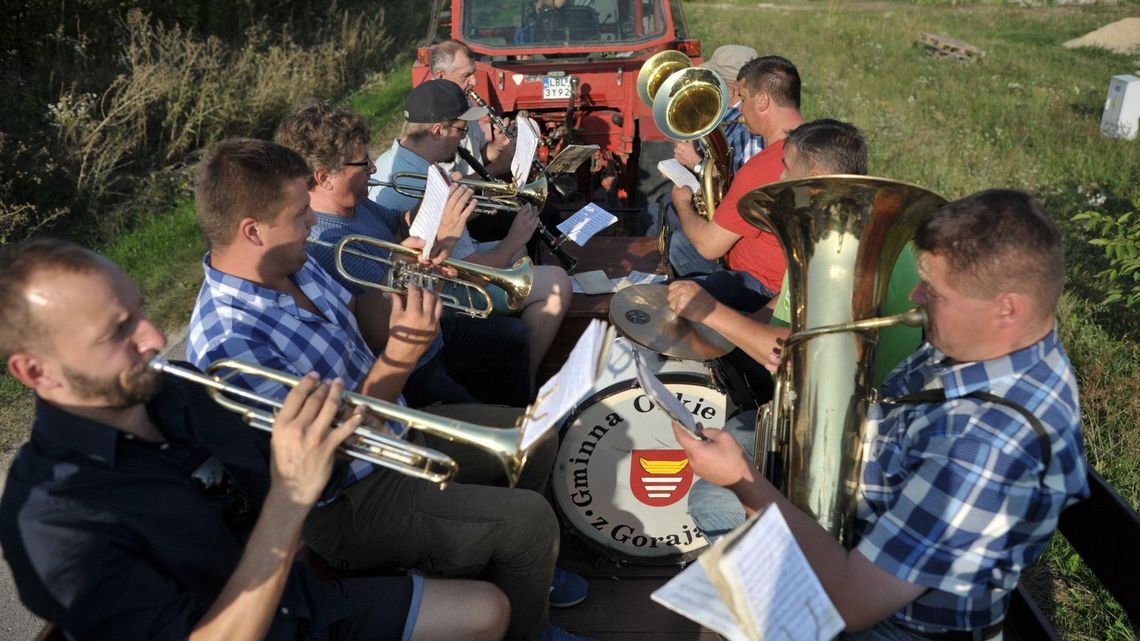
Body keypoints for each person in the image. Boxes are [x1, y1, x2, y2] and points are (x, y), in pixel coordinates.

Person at [0, 238, 510, 641]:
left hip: (301, 603)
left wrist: (324, 436)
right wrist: (290, 496)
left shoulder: (179, 391)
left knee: (488, 611)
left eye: (140, 310)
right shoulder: (53, 517)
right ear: (35, 371)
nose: (153, 338)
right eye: (117, 332)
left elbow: (286, 477)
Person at [187, 138, 590, 641]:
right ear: (252, 231)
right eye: (298, 214)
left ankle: (512, 566)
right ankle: (528, 619)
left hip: (396, 433)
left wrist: (409, 282)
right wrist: (402, 353)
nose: (312, 221)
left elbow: (362, 317)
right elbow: (330, 453)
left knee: (538, 437)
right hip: (352, 499)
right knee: (530, 523)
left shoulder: (291, 264)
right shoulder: (230, 342)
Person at [673, 190, 1089, 639]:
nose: (914, 295)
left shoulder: (988, 443)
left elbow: (849, 604)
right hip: (865, 530)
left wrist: (742, 479)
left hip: (892, 622)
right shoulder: (983, 344)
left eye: (934, 291)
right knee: (714, 513)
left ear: (1007, 308)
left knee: (719, 522)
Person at [668, 119, 923, 542]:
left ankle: (793, 576)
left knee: (708, 501)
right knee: (735, 429)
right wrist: (711, 329)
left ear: (815, 176)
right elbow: (783, 310)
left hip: (851, 446)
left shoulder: (848, 250)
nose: (779, 178)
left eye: (785, 168)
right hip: (816, 420)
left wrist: (710, 311)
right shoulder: (832, 232)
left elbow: (804, 356)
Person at [273, 100, 531, 407]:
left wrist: (436, 200)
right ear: (323, 177)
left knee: (518, 336)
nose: (372, 168)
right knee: (481, 417)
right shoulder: (326, 244)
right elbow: (382, 326)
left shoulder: (356, 204)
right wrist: (445, 237)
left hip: (433, 335)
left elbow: (400, 226)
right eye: (362, 163)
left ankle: (516, 408)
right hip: (412, 367)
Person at [370, 80, 572, 389]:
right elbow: (472, 274)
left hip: (427, 276)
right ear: (438, 130)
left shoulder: (391, 159)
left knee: (520, 257)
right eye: (461, 130)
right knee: (557, 282)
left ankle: (504, 358)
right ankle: (525, 385)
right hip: (441, 293)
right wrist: (515, 237)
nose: (463, 137)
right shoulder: (421, 182)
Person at [669, 55, 805, 313]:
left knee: (664, 297)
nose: (740, 109)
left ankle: (711, 338)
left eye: (743, 98)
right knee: (680, 243)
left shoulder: (762, 167)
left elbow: (709, 246)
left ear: (762, 100)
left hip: (761, 287)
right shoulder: (819, 146)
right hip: (791, 280)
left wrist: (682, 202)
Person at [428, 40, 513, 179]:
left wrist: (498, 146)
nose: (474, 82)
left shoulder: (463, 101)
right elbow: (450, 186)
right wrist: (498, 167)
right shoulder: (431, 117)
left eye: (473, 74)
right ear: (441, 77)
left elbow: (477, 158)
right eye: (466, 76)